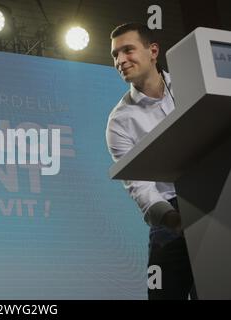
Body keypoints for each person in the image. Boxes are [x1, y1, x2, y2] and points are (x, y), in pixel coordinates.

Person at [105, 22, 196, 300]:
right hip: (169, 215)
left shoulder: (191, 83)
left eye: (128, 50)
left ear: (153, 50)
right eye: (115, 55)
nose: (121, 60)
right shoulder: (118, 122)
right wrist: (173, 221)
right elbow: (140, 187)